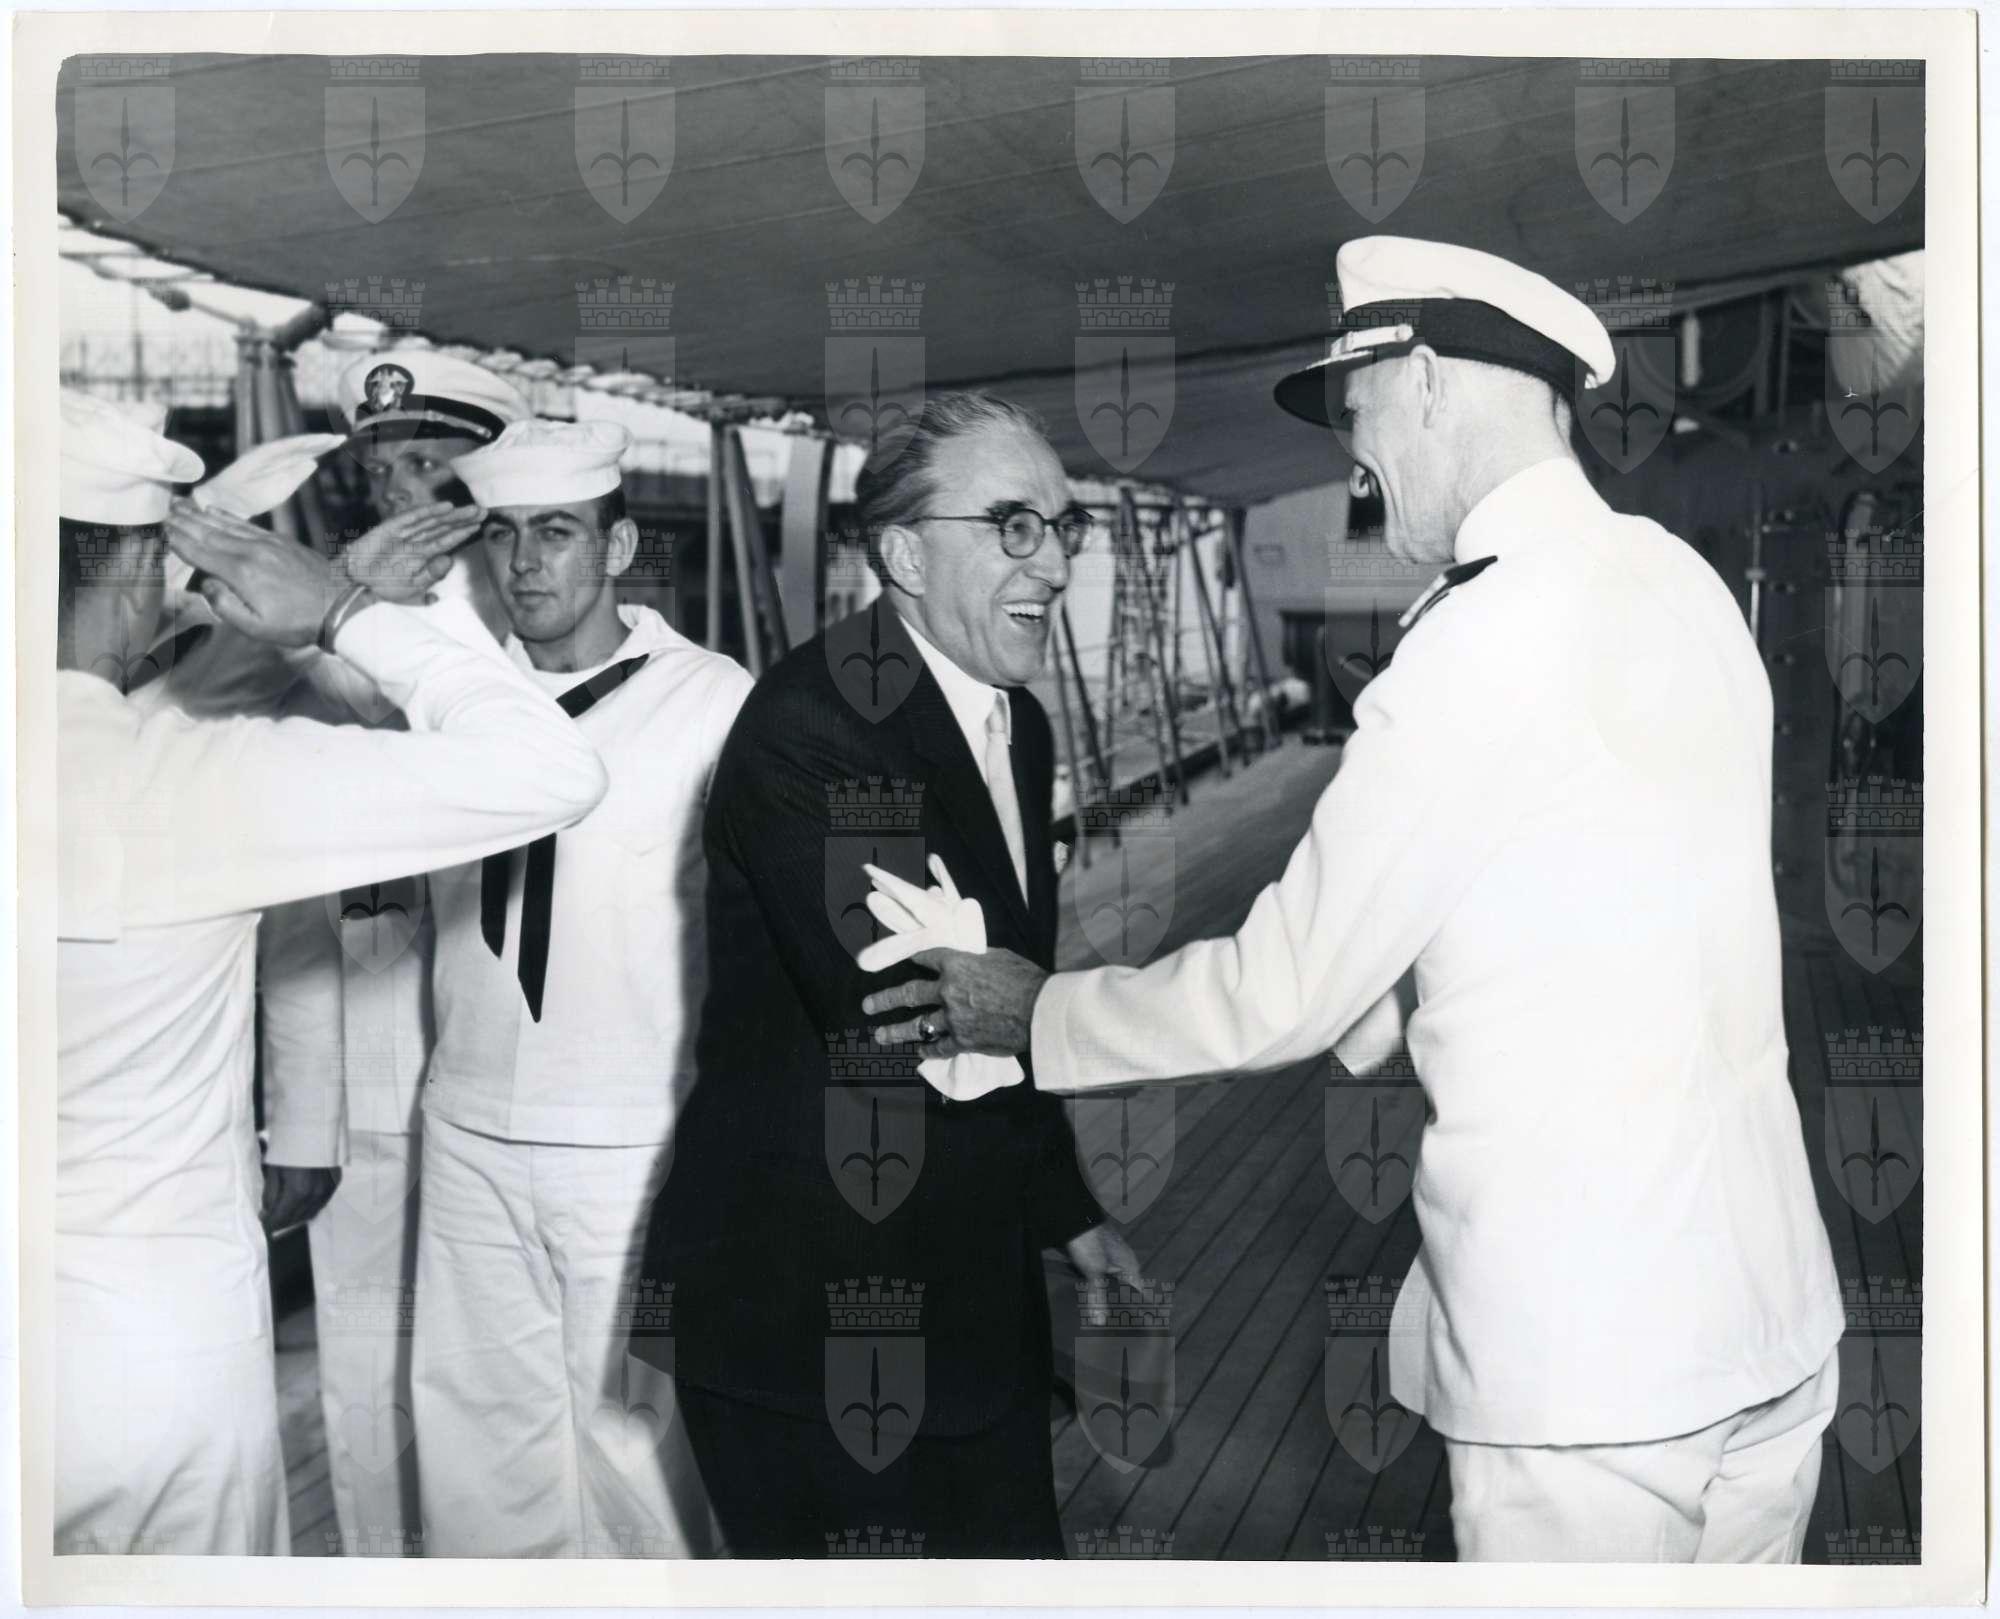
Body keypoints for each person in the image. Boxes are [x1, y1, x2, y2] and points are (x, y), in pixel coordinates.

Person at [860, 242, 1847, 1564]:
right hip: (1771, 1316)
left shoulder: (1475, 639)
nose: (1354, 457)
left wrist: (1035, 1015)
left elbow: (1283, 986)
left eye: (1355, 407)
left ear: (1426, 380)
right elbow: (1592, 891)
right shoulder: (1680, 584)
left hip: (1590, 1369)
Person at [54, 389, 608, 1556]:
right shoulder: (187, 776)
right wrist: (342, 607)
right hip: (150, 1341)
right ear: (145, 566)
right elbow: (542, 771)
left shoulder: (150, 751)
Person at [638, 393, 1139, 1558]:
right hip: (808, 1329)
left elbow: (1005, 989)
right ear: (905, 556)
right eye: (1013, 526)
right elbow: (931, 1021)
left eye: (1063, 526)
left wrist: (1066, 1211)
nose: (1053, 563)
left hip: (966, 1308)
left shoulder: (1014, 724)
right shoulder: (810, 730)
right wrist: (1144, 1022)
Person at [402, 418, 749, 1558]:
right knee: (475, 1453)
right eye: (502, 534)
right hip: (467, 1126)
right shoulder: (452, 696)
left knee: (640, 1456)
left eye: (555, 531)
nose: (524, 562)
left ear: (619, 546)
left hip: (632, 1140)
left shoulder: (713, 703)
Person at [252, 353, 531, 1556]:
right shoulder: (313, 648)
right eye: (381, 471)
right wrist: (304, 1117)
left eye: (427, 464)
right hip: (370, 1057)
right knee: (365, 1368)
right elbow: (290, 901)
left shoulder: (543, 637)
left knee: (510, 1366)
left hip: (522, 1073)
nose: (400, 493)